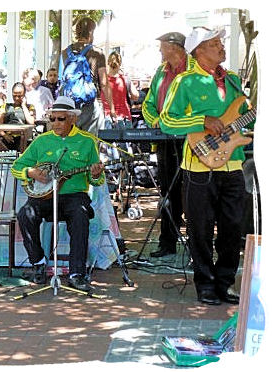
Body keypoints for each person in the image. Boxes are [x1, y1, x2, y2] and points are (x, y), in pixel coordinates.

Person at [160, 27, 254, 305]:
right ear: (198, 50)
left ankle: (225, 282)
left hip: (234, 164)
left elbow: (247, 118)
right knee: (200, 228)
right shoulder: (185, 82)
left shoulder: (235, 81)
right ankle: (205, 284)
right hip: (198, 167)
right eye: (214, 43)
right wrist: (201, 122)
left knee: (232, 228)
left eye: (220, 42)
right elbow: (167, 121)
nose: (221, 47)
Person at [11, 96, 105, 291]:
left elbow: (98, 180)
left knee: (80, 216)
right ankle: (37, 263)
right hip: (45, 196)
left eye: (60, 119)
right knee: (25, 214)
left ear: (73, 119)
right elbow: (16, 166)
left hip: (74, 195)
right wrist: (31, 172)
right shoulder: (41, 141)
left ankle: (77, 273)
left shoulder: (87, 142)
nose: (55, 123)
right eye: (52, 119)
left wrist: (96, 174)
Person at [142, 32, 195, 258]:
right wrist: (155, 120)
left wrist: (179, 124)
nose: (160, 51)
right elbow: (149, 103)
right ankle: (168, 242)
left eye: (162, 47)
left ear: (175, 47)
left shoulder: (195, 70)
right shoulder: (160, 71)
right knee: (168, 192)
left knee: (194, 193)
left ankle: (197, 246)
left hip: (192, 139)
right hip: (165, 140)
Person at [59, 17, 115, 135]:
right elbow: (104, 83)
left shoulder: (65, 53)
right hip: (91, 103)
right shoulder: (97, 53)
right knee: (91, 141)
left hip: (70, 104)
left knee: (72, 141)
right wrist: (112, 109)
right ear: (91, 32)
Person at [101, 51, 139, 130]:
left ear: (108, 63)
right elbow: (136, 96)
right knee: (126, 141)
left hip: (108, 117)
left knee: (108, 141)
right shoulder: (125, 79)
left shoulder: (103, 81)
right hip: (124, 116)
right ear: (120, 63)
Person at [0, 82, 36, 150]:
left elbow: (31, 122)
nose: (17, 98)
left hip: (23, 138)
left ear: (24, 95)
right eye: (14, 96)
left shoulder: (30, 107)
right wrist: (4, 135)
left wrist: (24, 106)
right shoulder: (5, 107)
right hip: (8, 137)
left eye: (20, 96)